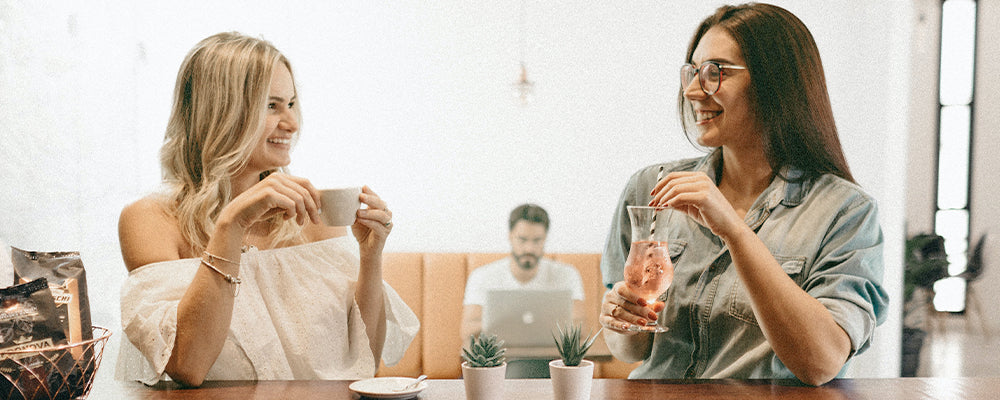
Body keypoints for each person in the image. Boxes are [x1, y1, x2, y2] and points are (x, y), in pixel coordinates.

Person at [598, 3, 888, 386]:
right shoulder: (651, 185)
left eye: (715, 72)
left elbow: (821, 362)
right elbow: (631, 351)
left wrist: (734, 231)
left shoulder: (846, 211)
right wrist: (622, 319)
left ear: (776, 81)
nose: (691, 90)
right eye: (693, 72)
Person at [116, 32, 418, 387]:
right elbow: (188, 364)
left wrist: (370, 257)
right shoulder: (151, 220)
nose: (291, 123)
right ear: (220, 113)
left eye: (291, 104)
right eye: (271, 106)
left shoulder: (313, 217)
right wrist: (232, 224)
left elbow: (364, 364)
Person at [461, 204, 585, 378]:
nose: (529, 249)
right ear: (510, 236)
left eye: (537, 241)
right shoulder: (483, 276)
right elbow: (468, 332)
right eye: (522, 239)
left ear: (545, 239)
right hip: (493, 366)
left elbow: (579, 328)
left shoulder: (567, 275)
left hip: (551, 364)